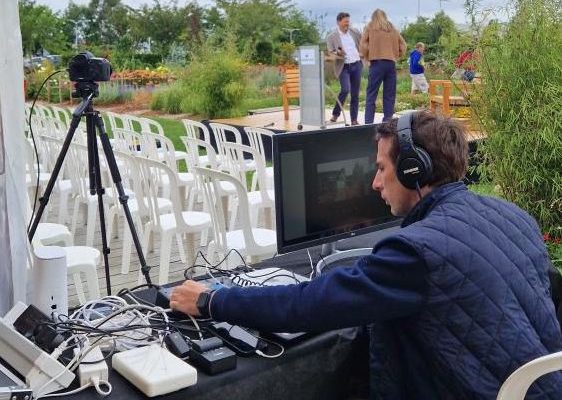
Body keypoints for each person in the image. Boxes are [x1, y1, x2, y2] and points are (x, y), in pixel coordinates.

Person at [170, 111, 562, 399]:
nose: (374, 183)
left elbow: (309, 304)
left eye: (380, 168)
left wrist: (211, 300)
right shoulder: (515, 217)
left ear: (413, 170)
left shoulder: (415, 252)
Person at [360, 9, 406, 124]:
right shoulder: (391, 28)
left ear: (373, 17)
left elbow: (363, 44)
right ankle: (387, 122)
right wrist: (396, 55)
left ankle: (368, 123)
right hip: (391, 64)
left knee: (371, 94)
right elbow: (403, 45)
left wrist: (367, 56)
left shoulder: (370, 26)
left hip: (376, 64)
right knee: (389, 95)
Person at [326, 12, 363, 126]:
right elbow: (330, 52)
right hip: (343, 66)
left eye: (348, 21)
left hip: (356, 65)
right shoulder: (331, 36)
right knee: (345, 90)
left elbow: (362, 43)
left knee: (355, 94)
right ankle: (336, 114)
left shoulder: (355, 32)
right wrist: (338, 52)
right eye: (345, 21)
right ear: (339, 22)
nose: (348, 24)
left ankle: (354, 120)